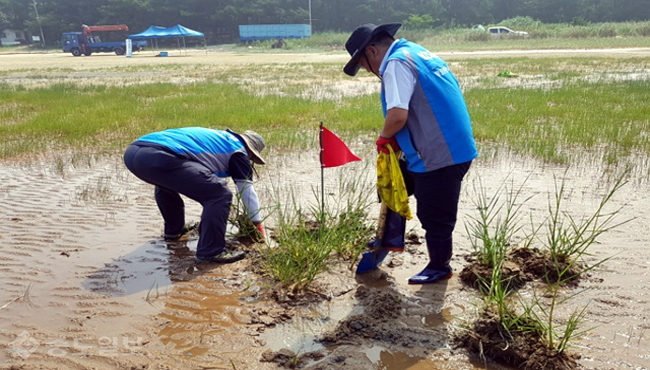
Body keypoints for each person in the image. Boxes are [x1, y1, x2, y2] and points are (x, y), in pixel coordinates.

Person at [344, 23, 478, 284]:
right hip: (451, 146)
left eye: (362, 64)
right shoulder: (416, 52)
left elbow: (397, 115)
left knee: (434, 214)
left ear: (371, 51)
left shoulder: (395, 63)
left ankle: (440, 267)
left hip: (439, 153)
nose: (367, 71)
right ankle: (386, 240)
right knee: (395, 185)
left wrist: (384, 138)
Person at [123, 127, 267, 264]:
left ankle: (174, 231)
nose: (249, 161)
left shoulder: (222, 139)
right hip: (160, 156)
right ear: (250, 151)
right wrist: (257, 225)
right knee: (220, 194)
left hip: (133, 153)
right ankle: (211, 251)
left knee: (166, 183)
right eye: (252, 158)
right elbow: (247, 192)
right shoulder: (239, 152)